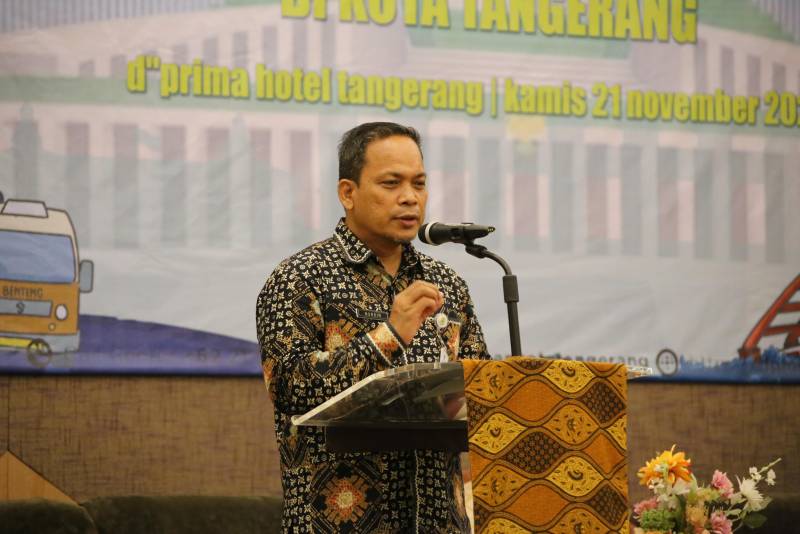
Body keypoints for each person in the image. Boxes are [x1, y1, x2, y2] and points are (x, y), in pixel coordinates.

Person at [256, 122, 490, 533]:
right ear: (348, 193)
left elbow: (482, 389)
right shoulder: (299, 278)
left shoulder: (448, 283)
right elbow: (291, 388)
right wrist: (389, 336)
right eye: (391, 183)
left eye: (419, 183)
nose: (410, 197)